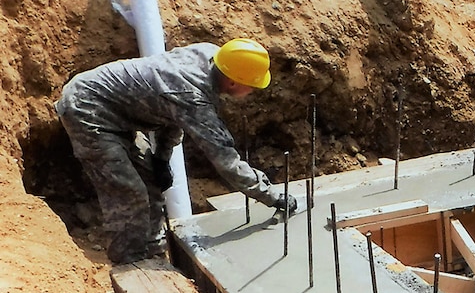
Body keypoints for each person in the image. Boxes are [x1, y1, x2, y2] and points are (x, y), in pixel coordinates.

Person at [55, 39, 297, 264]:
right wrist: (271, 196)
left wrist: (161, 158)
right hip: (87, 110)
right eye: (251, 86)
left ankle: (152, 250)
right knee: (130, 191)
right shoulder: (192, 95)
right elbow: (226, 161)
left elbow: (170, 113)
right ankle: (130, 263)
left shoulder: (212, 54)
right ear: (233, 81)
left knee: (151, 180)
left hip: (117, 110)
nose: (252, 91)